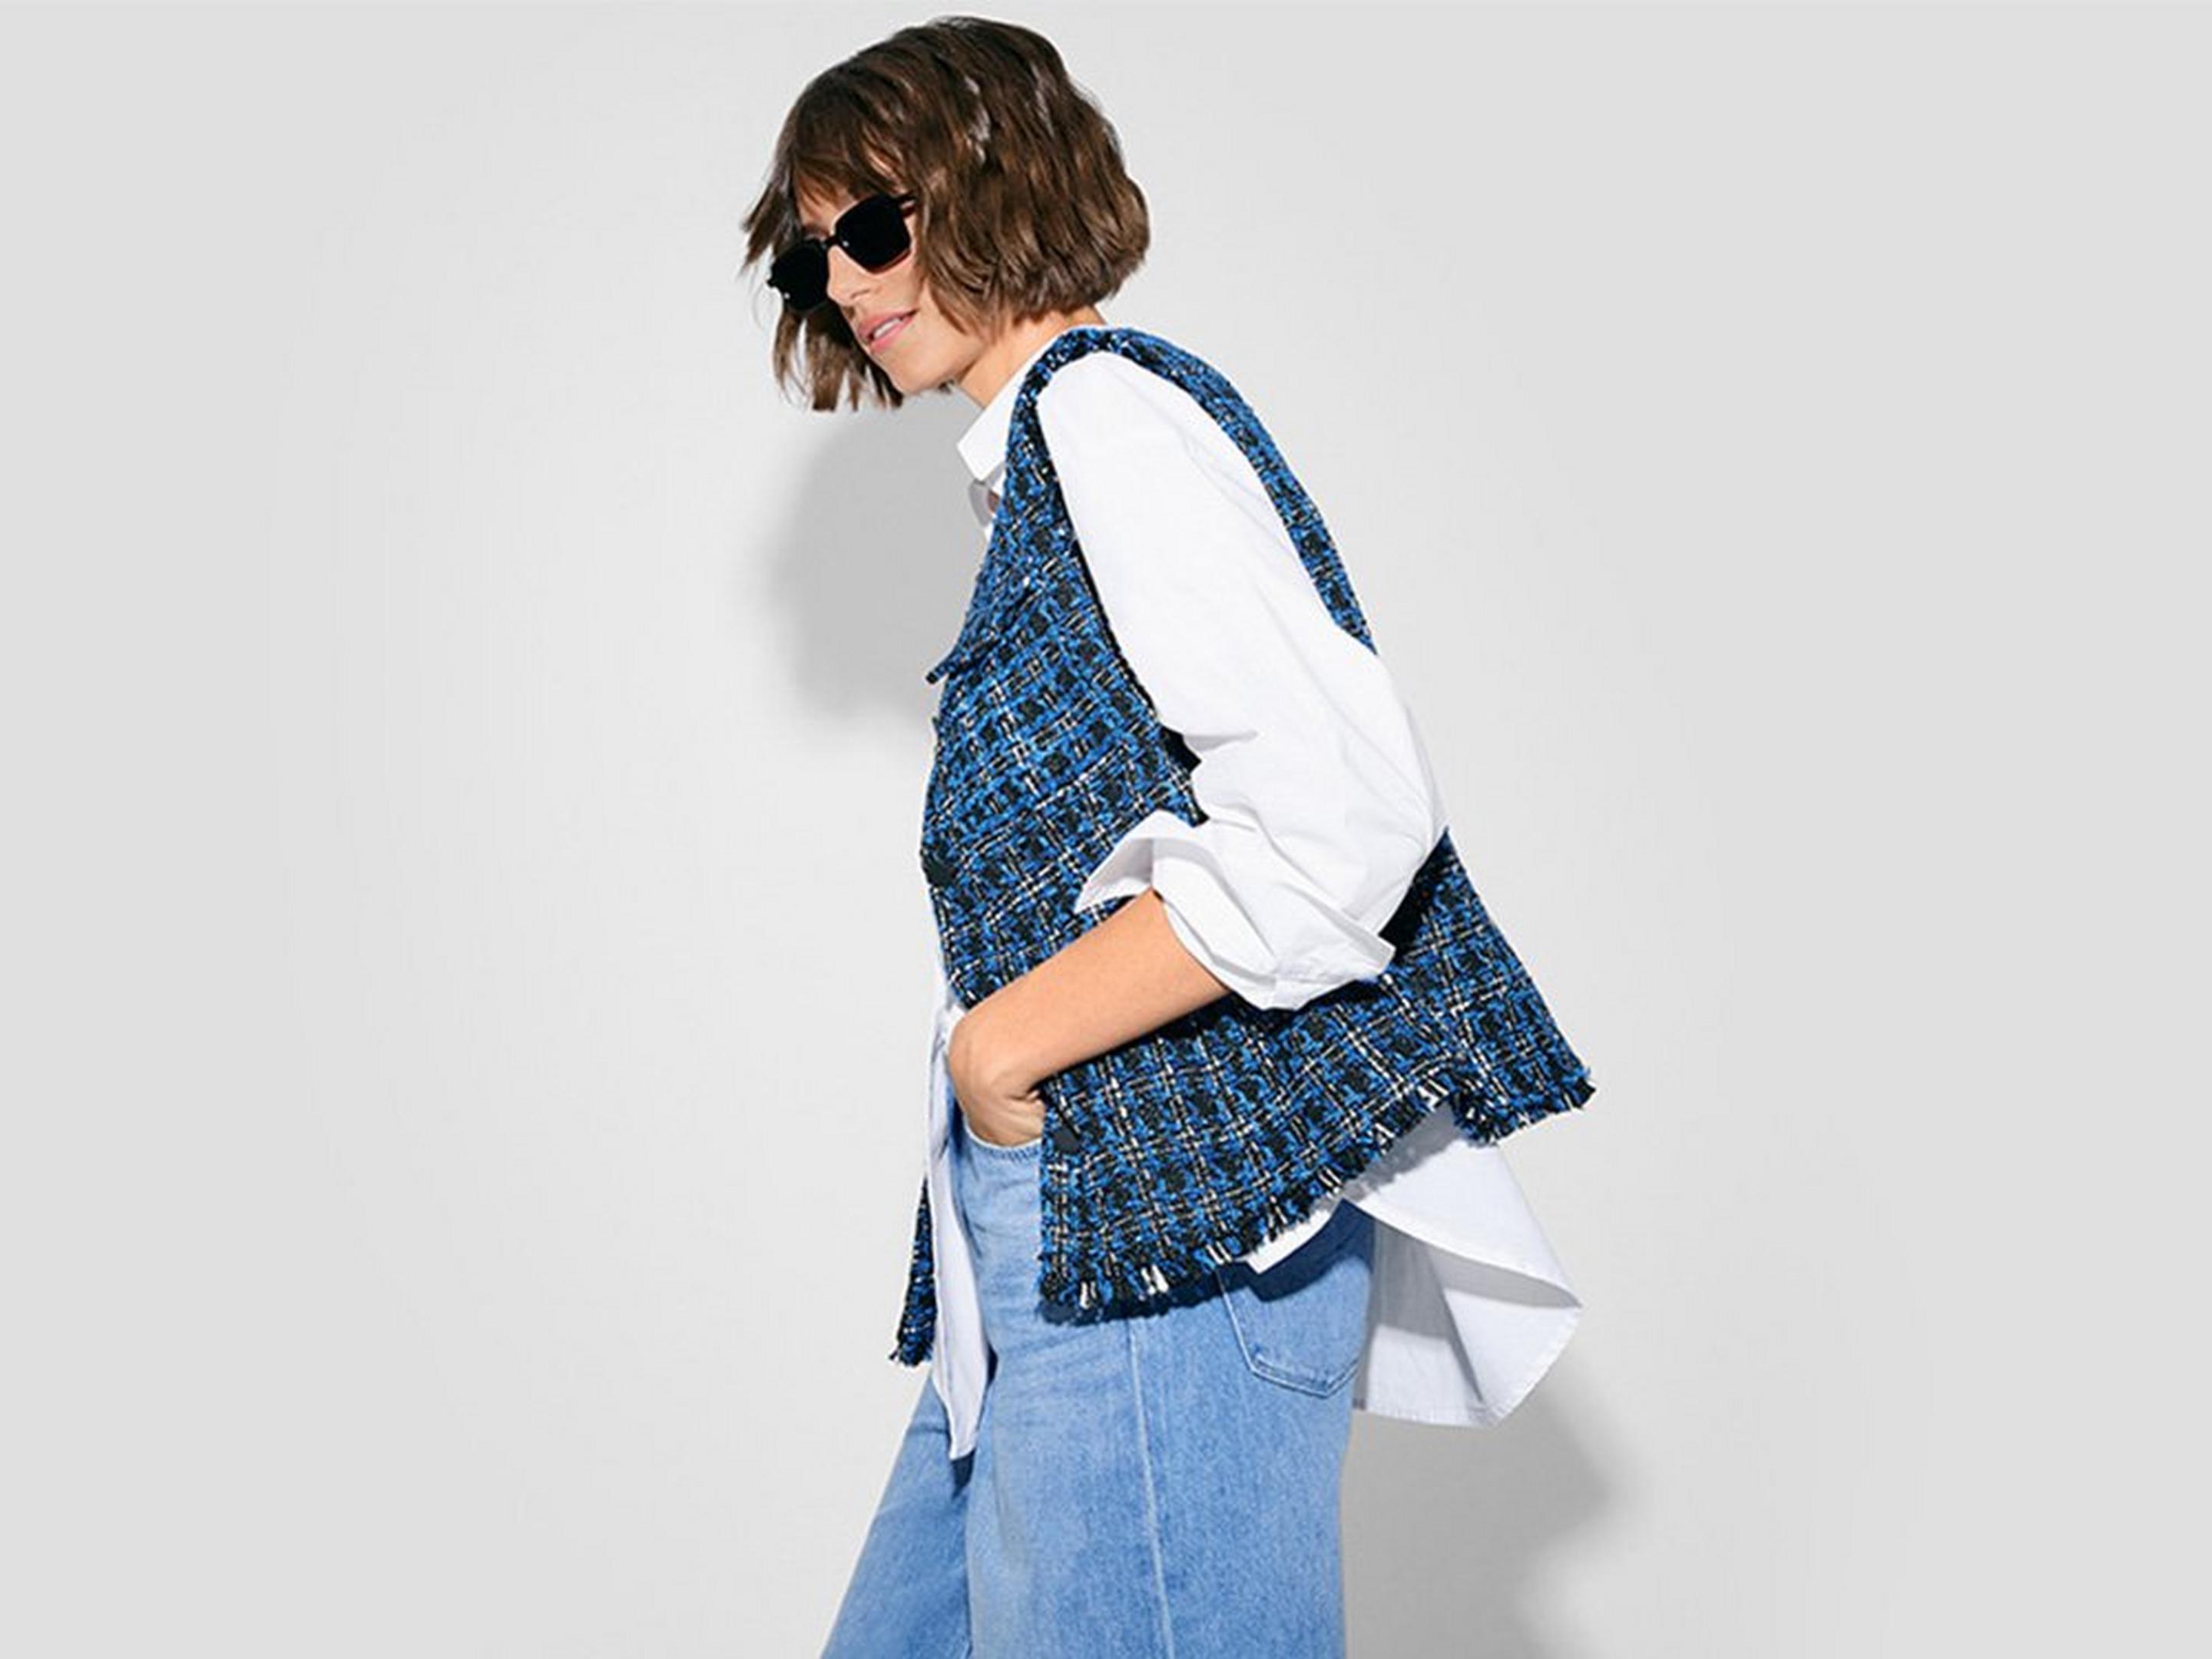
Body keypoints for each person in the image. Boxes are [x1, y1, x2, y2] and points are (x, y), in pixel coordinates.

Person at [740, 18, 1598, 1657]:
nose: (843, 282)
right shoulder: (1046, 464)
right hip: (1073, 1237)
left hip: (1155, 1238)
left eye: (874, 227)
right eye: (812, 252)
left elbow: (1343, 816)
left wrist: (1000, 1050)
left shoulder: (1107, 416)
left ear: (995, 183)